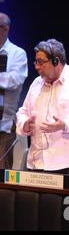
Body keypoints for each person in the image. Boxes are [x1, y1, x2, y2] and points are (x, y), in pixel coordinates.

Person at [16, 39, 69, 175]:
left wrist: (65, 124)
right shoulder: (36, 83)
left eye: (41, 62)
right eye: (36, 62)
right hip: (38, 163)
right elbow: (22, 112)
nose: (37, 67)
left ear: (56, 61)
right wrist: (25, 124)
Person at [0, 13, 28, 169]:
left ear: (4, 29)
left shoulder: (17, 53)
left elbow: (14, 80)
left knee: (2, 173)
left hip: (4, 125)